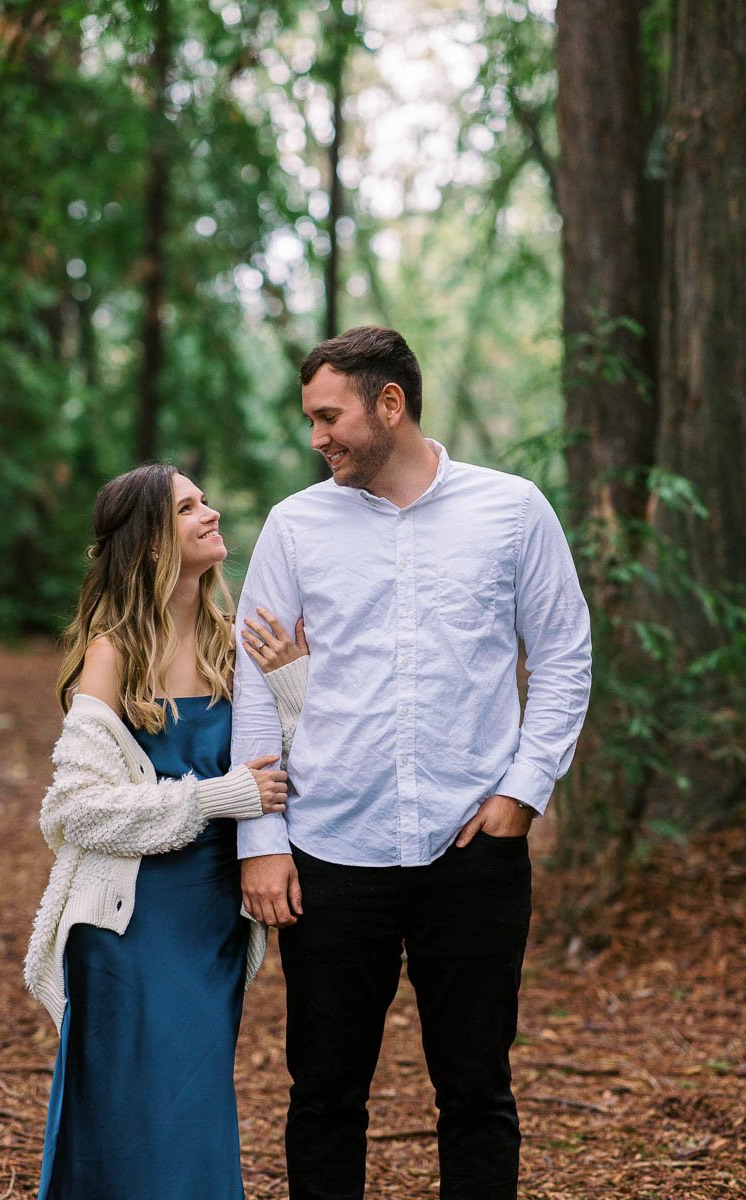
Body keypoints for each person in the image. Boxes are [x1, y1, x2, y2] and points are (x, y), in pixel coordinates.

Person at [231, 326, 593, 1200]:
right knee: (324, 1095)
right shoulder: (295, 525)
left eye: (329, 417)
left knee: (476, 1091)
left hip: (472, 852)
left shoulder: (512, 511)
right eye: (311, 420)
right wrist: (261, 837)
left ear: (389, 403)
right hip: (327, 852)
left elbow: (565, 656)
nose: (316, 438)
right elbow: (254, 684)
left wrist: (521, 797)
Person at [24, 463, 308, 1200]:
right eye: (188, 507)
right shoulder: (113, 652)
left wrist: (295, 679)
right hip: (129, 923)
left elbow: (306, 767)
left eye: (204, 499)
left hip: (212, 917)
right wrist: (215, 797)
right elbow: (73, 809)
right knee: (126, 1113)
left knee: (194, 1105)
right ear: (152, 544)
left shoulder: (235, 642)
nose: (211, 512)